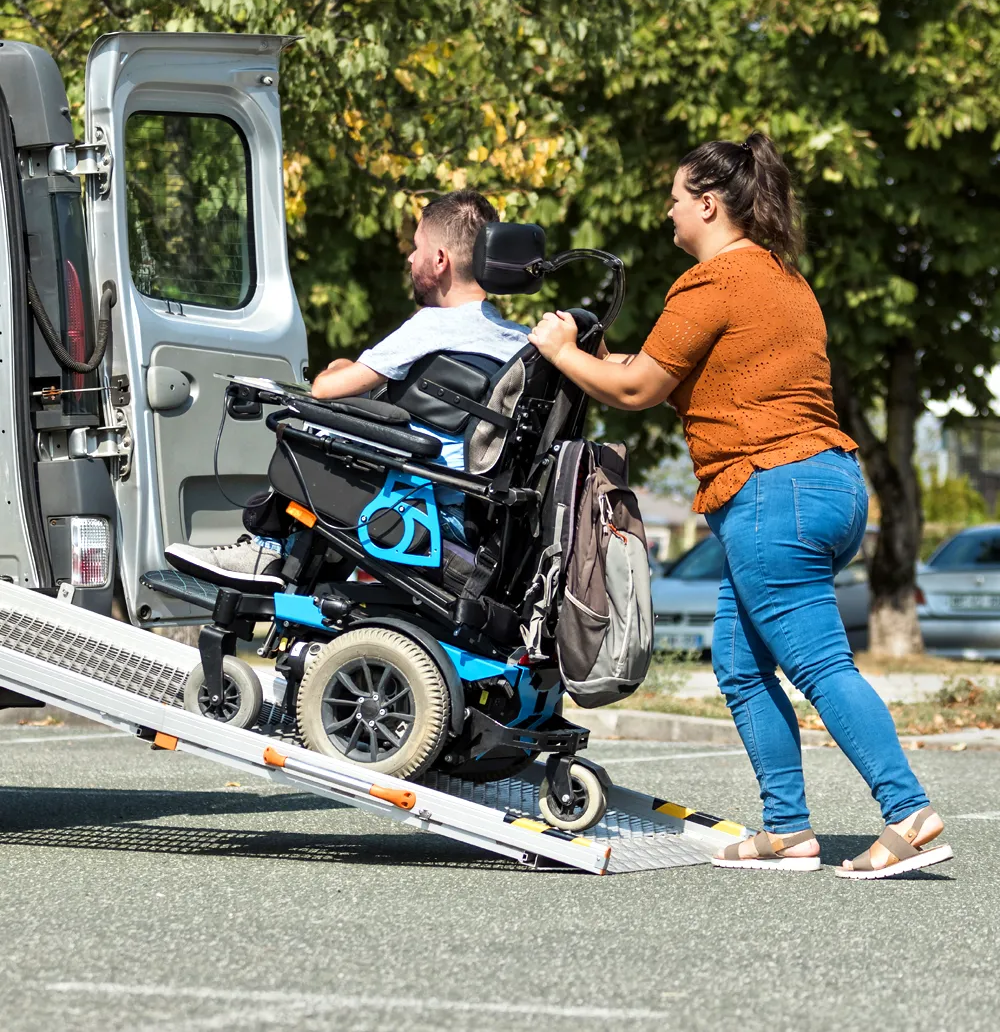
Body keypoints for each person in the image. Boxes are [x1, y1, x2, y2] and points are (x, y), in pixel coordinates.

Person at [527, 132, 951, 880]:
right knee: (741, 663)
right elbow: (646, 366)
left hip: (771, 490)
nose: (668, 213)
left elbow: (634, 390)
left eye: (676, 199)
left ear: (709, 204)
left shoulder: (713, 282)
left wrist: (559, 351)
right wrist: (584, 354)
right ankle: (786, 830)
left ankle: (909, 814)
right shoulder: (783, 280)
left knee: (819, 665)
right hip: (826, 484)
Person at [166, 188, 529, 590]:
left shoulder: (435, 326)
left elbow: (326, 388)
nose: (410, 258)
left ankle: (265, 549)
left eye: (417, 247)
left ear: (440, 260)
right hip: (472, 512)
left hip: (419, 506)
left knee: (304, 422)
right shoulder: (518, 341)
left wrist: (340, 368)